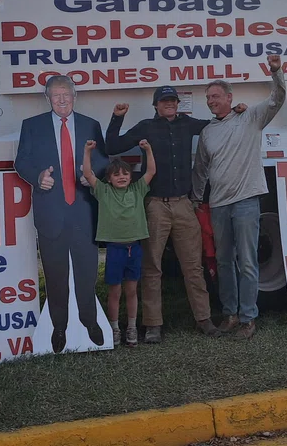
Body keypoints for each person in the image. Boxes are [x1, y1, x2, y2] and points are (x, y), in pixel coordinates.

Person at [105, 88, 248, 344]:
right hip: (155, 205)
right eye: (164, 101)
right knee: (152, 268)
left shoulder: (188, 124)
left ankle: (204, 319)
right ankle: (152, 325)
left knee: (193, 266)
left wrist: (236, 111)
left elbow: (215, 123)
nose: (169, 105)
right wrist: (117, 117)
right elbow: (112, 146)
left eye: (172, 101)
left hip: (183, 204)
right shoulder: (145, 126)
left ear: (177, 104)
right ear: (156, 105)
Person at [192, 54, 286, 340]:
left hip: (246, 201)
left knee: (247, 260)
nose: (211, 100)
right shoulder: (207, 132)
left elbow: (277, 99)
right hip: (218, 204)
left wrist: (276, 72)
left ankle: (248, 318)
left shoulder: (251, 117)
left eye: (216, 96)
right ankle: (230, 314)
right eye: (208, 97)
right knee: (223, 261)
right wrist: (197, 199)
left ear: (230, 97)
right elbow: (200, 169)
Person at [13, 75, 109, 354]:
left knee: (87, 271)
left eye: (66, 94)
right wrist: (37, 176)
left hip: (83, 211)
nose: (62, 100)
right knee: (55, 273)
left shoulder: (91, 124)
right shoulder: (32, 126)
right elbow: (22, 160)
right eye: (56, 96)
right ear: (47, 99)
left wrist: (90, 175)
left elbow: (102, 158)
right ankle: (59, 327)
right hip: (51, 211)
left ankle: (89, 321)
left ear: (75, 96)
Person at [81, 138, 155, 347]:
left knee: (132, 290)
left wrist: (148, 150)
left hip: (135, 248)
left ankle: (131, 327)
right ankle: (114, 328)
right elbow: (88, 174)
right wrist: (87, 151)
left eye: (125, 174)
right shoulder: (104, 192)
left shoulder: (138, 190)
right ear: (109, 179)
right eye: (116, 175)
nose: (121, 177)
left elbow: (150, 172)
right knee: (115, 291)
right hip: (115, 249)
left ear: (131, 177)